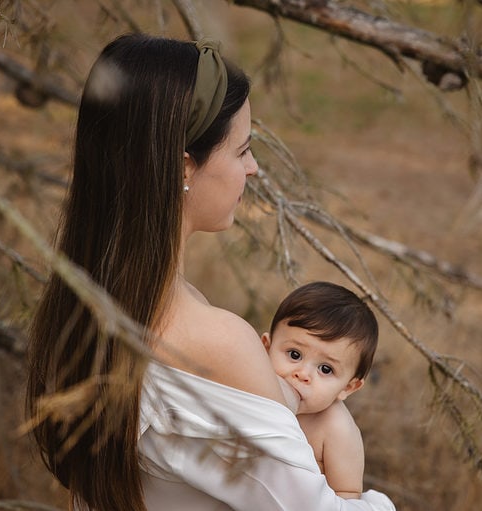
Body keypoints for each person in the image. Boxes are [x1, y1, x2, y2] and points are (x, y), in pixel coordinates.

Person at [26, 33, 396, 511]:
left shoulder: (86, 304)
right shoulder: (216, 342)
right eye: (242, 151)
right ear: (183, 167)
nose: (255, 169)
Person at [261, 281, 378, 499]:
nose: (303, 374)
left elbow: (347, 493)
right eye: (294, 354)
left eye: (325, 369)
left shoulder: (335, 429)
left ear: (348, 387)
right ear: (266, 348)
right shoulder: (253, 386)